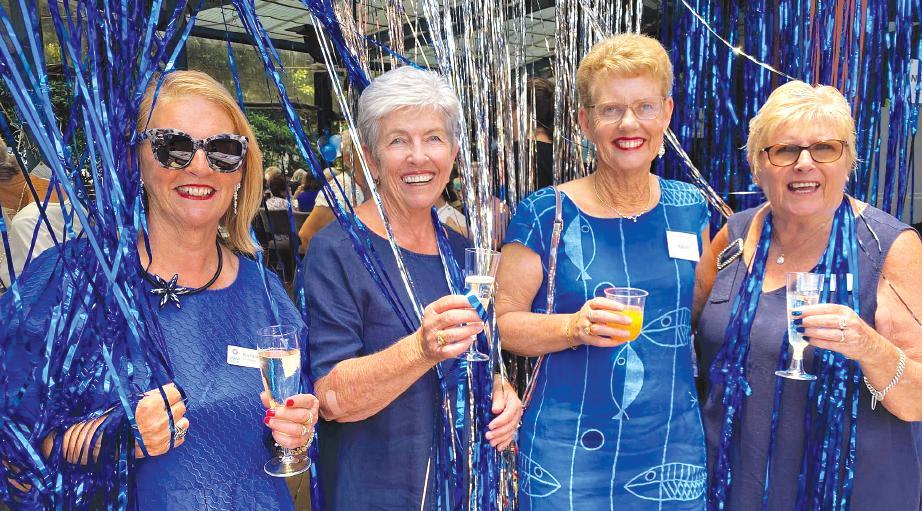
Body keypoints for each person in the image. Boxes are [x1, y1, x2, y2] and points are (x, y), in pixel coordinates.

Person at [0, 70, 319, 509]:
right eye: (174, 146)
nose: (200, 166)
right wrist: (112, 439)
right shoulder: (72, 282)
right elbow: (12, 446)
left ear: (242, 169)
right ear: (136, 160)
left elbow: (284, 420)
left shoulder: (264, 292)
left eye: (223, 150)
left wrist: (297, 430)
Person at [495, 34, 710, 510]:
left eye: (645, 107)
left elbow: (698, 313)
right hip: (567, 453)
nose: (629, 123)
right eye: (611, 110)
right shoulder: (544, 213)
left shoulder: (690, 208)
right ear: (585, 123)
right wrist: (573, 327)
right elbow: (502, 325)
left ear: (667, 113)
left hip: (670, 447)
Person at [304, 66, 522, 510]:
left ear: (453, 152)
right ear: (370, 158)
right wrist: (421, 349)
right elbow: (331, 398)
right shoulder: (337, 251)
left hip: (460, 487)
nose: (418, 157)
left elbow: (472, 355)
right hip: (377, 493)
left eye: (433, 138)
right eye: (398, 141)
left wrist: (499, 388)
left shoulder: (461, 250)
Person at [696, 81, 922, 509]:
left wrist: (867, 345)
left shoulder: (889, 247)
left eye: (824, 148)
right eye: (784, 150)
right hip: (731, 489)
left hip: (851, 495)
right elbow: (681, 334)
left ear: (847, 161)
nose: (804, 164)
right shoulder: (734, 236)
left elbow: (917, 400)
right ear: (758, 166)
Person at [297, 132, 367, 253]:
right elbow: (307, 234)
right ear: (347, 159)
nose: (372, 155)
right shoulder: (341, 188)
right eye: (363, 150)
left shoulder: (379, 186)